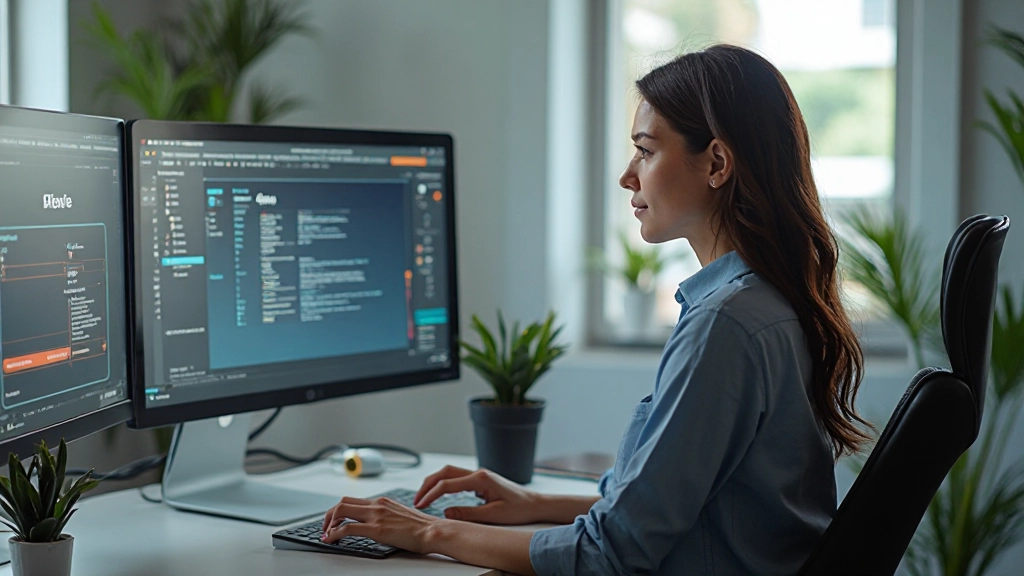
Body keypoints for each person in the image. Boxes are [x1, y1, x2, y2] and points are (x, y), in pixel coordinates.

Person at [319, 43, 871, 576]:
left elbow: (612, 554)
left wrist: (426, 531)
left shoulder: (726, 324)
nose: (628, 175)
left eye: (647, 150)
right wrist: (532, 501)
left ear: (717, 162)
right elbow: (677, 511)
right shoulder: (766, 301)